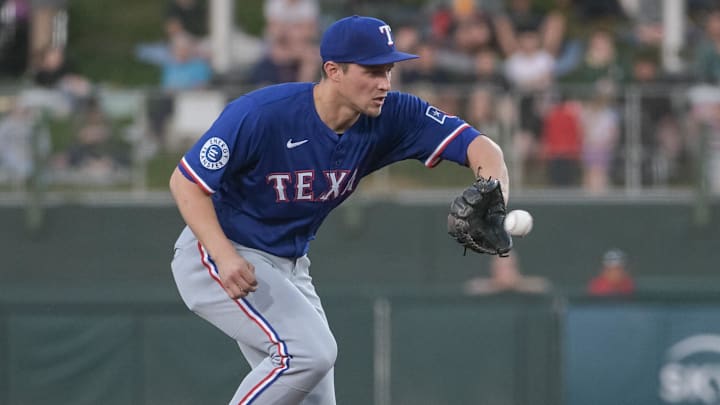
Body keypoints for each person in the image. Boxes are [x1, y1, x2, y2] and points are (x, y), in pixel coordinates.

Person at [168, 15, 511, 405]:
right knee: (311, 353)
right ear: (333, 70)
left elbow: (483, 149)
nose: (384, 82)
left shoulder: (392, 116)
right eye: (371, 71)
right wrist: (224, 256)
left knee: (314, 394)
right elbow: (186, 183)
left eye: (389, 69)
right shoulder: (264, 113)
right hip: (217, 252)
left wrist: (494, 194)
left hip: (288, 264)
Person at [464, 251, 550, 295]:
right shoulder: (488, 287)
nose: (505, 271)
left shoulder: (524, 287)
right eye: (501, 268)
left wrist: (516, 284)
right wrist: (496, 286)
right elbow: (471, 288)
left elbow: (543, 285)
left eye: (508, 267)